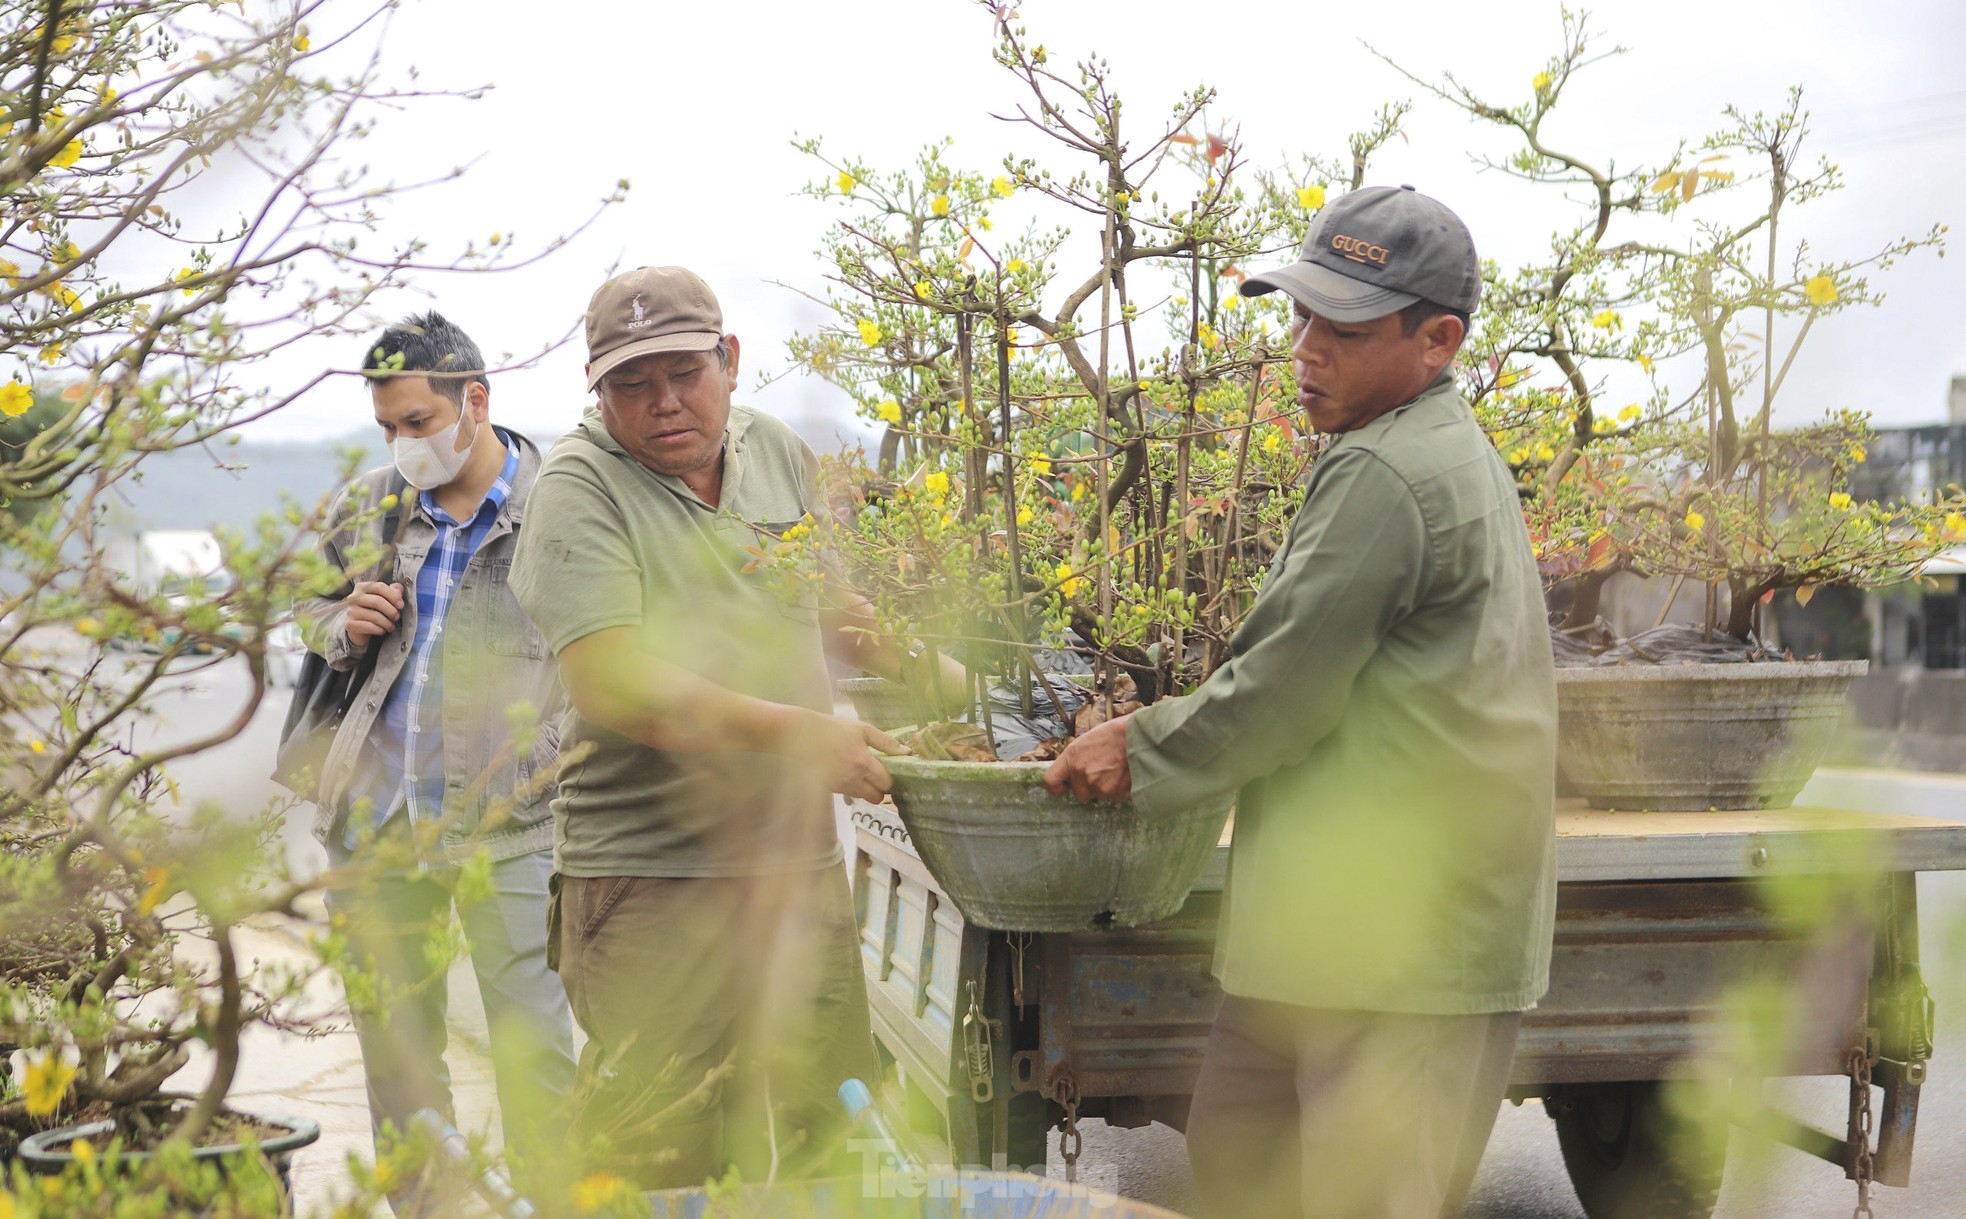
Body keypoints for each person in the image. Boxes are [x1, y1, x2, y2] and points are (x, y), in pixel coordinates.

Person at [1044, 186, 1558, 1219]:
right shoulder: (1418, 442)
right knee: (1243, 1166)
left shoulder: (1388, 469)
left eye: (1346, 328)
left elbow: (1279, 692)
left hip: (1400, 953)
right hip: (1338, 933)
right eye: (1302, 316)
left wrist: (1134, 747)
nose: (1306, 348)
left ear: (1438, 338)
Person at [507, 265, 963, 1188]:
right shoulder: (578, 485)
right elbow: (611, 679)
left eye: (684, 372)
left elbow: (826, 602)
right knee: (664, 1157)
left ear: (731, 360)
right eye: (630, 384)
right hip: (650, 881)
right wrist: (802, 735)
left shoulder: (777, 452)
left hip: (795, 871)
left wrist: (943, 673)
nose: (663, 403)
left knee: (828, 1140)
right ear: (597, 391)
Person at [293, 312, 576, 1171]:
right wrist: (343, 623)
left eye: (417, 423)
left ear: (474, 401)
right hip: (376, 826)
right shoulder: (369, 505)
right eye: (387, 426)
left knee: (535, 1052)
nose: (403, 444)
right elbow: (307, 607)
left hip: (511, 823)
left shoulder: (558, 506)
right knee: (400, 1067)